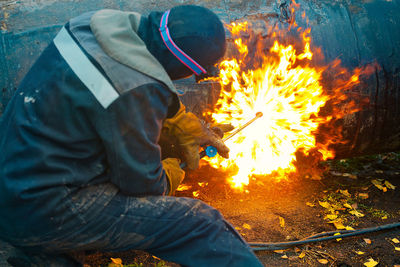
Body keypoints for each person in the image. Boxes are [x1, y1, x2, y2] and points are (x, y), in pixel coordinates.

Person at [0, 5, 263, 267]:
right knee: (199, 223)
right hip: (43, 211)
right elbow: (143, 185)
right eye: (194, 72)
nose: (192, 78)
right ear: (180, 62)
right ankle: (49, 238)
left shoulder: (88, 26)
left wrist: (182, 121)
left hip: (14, 182)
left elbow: (119, 94)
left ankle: (50, 256)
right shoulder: (135, 90)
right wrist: (171, 173)